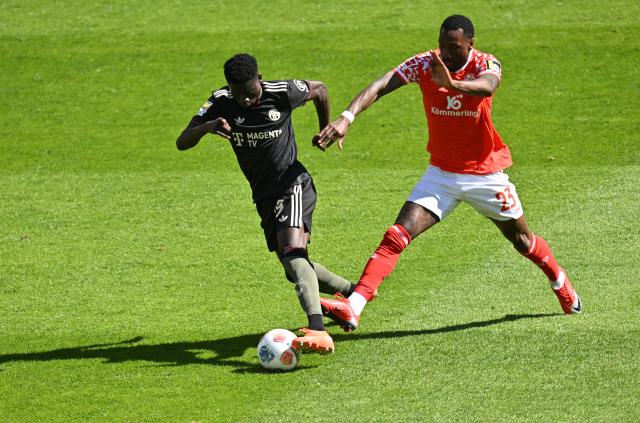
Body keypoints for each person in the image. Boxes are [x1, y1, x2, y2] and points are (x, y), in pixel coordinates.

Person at [314, 15, 581, 332]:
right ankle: (353, 307)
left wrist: (452, 84)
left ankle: (558, 279)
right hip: (441, 174)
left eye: (453, 47)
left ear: (470, 43)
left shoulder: (486, 63)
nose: (446, 53)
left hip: (485, 175)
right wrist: (347, 116)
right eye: (442, 45)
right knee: (396, 235)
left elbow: (487, 86)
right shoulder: (426, 63)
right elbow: (383, 83)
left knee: (523, 241)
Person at [176, 53, 354, 352]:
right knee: (292, 268)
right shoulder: (220, 102)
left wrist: (325, 127)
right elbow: (182, 142)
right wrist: (206, 128)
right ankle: (353, 293)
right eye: (238, 94)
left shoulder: (281, 92)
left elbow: (320, 89)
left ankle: (318, 329)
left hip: (292, 184)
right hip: (263, 195)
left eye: (250, 92)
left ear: (259, 80)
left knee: (293, 253)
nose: (245, 100)